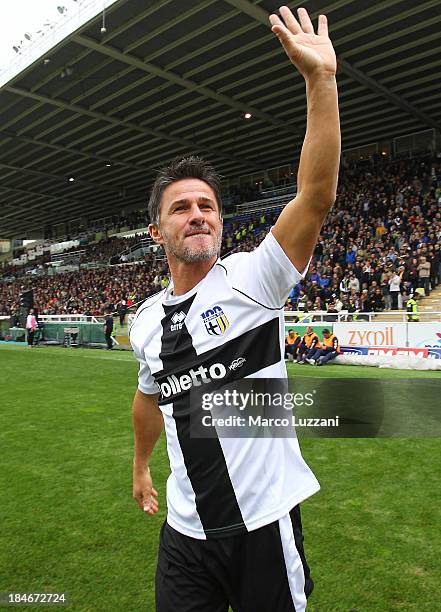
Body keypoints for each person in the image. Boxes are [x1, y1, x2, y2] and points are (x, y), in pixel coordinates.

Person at [130, 7, 340, 611]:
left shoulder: (253, 279)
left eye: (208, 205)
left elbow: (315, 196)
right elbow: (148, 396)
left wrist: (320, 81)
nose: (199, 213)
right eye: (181, 207)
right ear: (156, 231)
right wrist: (141, 469)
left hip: (263, 530)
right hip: (185, 535)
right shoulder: (146, 321)